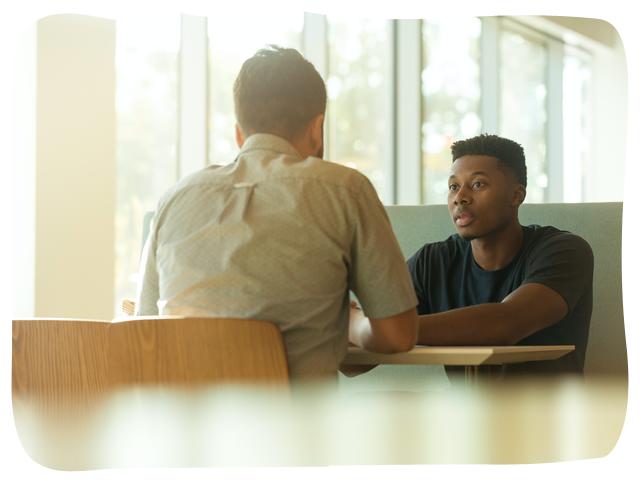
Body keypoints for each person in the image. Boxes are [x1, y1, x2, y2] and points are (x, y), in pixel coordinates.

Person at [135, 45, 418, 381]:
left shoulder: (175, 198)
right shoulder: (345, 189)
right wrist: (352, 324)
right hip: (295, 428)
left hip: (182, 428)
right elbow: (398, 336)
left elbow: (144, 331)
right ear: (317, 128)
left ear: (239, 133)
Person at [406, 133, 594, 377]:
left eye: (477, 184)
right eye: (453, 186)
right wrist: (359, 327)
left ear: (516, 196)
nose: (460, 197)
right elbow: (356, 363)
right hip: (466, 412)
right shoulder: (432, 262)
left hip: (549, 413)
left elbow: (505, 324)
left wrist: (386, 329)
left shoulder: (565, 251)